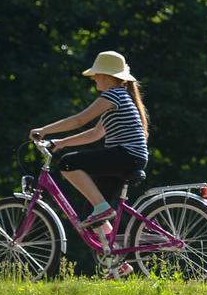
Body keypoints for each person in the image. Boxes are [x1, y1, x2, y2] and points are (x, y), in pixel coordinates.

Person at [30, 51, 150, 246]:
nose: (94, 78)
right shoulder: (120, 97)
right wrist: (61, 142)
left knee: (68, 163)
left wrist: (44, 130)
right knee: (91, 213)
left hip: (126, 156)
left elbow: (79, 120)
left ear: (106, 76)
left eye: (96, 74)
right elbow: (95, 134)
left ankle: (102, 208)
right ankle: (117, 263)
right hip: (129, 157)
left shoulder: (113, 95)